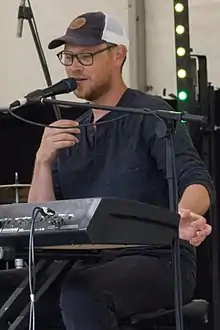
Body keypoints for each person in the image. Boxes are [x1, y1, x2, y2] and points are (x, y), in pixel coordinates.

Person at [0, 11, 214, 330]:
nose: (74, 66)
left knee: (83, 294)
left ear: (118, 55)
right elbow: (40, 221)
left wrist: (182, 215)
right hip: (84, 263)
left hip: (158, 260)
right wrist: (42, 161)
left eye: (85, 56)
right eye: (68, 57)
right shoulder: (71, 132)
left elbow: (197, 181)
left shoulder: (151, 114)